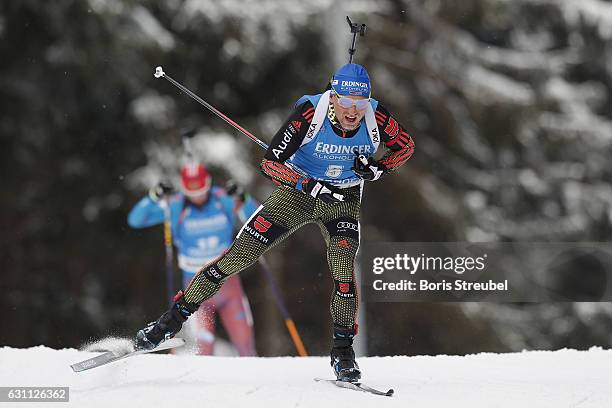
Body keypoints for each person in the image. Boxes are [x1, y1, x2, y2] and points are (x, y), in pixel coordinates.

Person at [135, 63, 415, 381]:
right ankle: (169, 322)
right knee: (239, 256)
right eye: (346, 102)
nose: (353, 112)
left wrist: (376, 168)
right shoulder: (310, 114)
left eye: (360, 103)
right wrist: (304, 183)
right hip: (297, 195)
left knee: (343, 265)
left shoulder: (376, 117)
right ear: (333, 96)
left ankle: (343, 352)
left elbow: (405, 147)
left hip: (343, 200)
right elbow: (270, 163)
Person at [128, 162, 259, 356]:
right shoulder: (176, 205)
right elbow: (136, 220)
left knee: (245, 344)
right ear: (184, 187)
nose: (197, 194)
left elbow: (259, 217)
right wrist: (154, 196)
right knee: (202, 350)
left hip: (228, 282)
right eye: (191, 189)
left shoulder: (223, 199)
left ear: (208, 182)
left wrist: (244, 198)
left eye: (201, 188)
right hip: (195, 286)